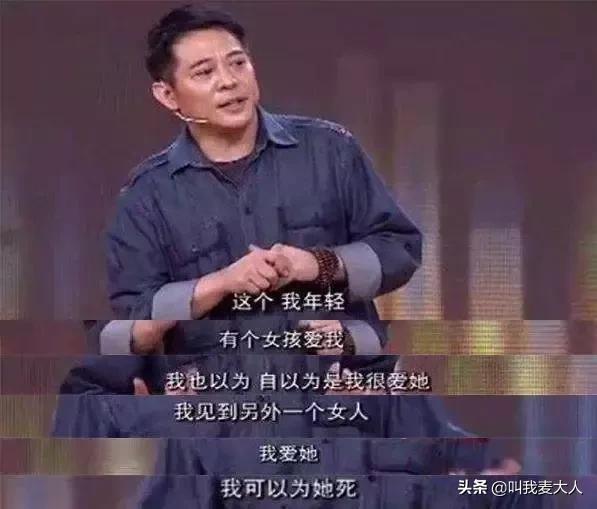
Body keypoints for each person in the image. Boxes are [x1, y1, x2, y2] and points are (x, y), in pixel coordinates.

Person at [105, 5, 422, 356]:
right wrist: (221, 283)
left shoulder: (330, 150)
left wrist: (319, 264)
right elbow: (130, 329)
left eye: (238, 63)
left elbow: (400, 250)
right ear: (167, 95)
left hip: (332, 380)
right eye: (204, 72)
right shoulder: (146, 196)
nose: (229, 81)